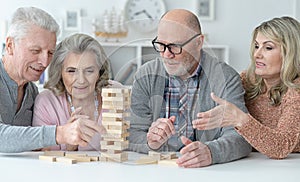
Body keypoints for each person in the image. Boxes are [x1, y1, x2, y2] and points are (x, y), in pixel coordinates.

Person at [128, 9, 252, 168]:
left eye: (174, 46)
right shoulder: (145, 75)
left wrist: (211, 152)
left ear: (198, 42)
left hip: (209, 172)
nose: (166, 55)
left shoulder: (226, 77)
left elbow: (242, 136)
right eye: (160, 45)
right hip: (158, 170)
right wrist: (150, 142)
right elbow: (132, 133)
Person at [192, 16, 300, 159]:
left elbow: (281, 147)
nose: (257, 54)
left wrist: (241, 119)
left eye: (268, 48)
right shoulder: (246, 80)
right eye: (256, 46)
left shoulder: (296, 92)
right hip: (250, 161)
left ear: (290, 53)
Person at [0, 7, 104, 153]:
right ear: (10, 46)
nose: (44, 62)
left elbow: (32, 147)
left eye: (50, 53)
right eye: (35, 51)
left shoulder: (31, 92)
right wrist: (60, 133)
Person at [32, 33, 123, 151]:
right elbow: (44, 158)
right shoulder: (47, 102)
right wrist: (70, 144)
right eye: (71, 71)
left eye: (89, 71)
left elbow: (131, 143)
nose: (81, 80)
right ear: (60, 72)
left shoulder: (116, 93)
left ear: (99, 72)